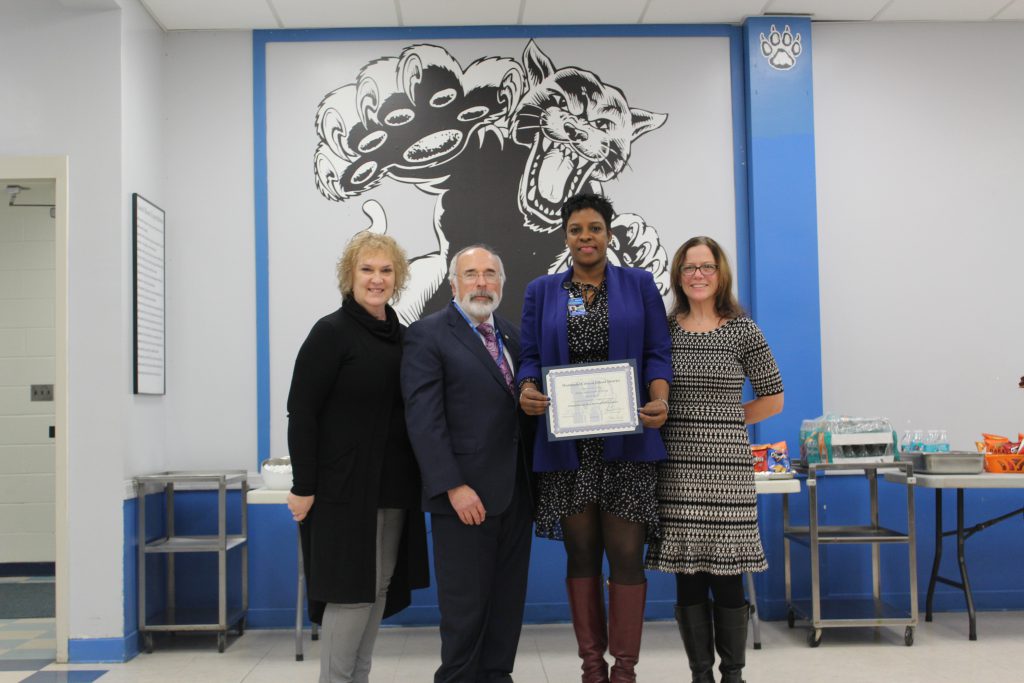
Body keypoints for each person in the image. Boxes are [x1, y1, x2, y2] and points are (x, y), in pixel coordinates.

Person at [518, 193, 671, 683]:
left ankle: (624, 671)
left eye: (595, 228)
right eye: (576, 229)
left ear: (608, 233)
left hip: (627, 443)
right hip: (568, 446)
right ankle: (592, 669)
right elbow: (528, 357)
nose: (586, 237)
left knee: (626, 554)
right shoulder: (543, 291)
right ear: (565, 236)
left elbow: (656, 351)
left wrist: (660, 398)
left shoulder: (639, 284)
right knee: (580, 553)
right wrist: (527, 389)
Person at [286, 231, 429, 683]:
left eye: (386, 270)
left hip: (392, 487)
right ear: (349, 276)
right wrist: (303, 486)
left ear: (398, 278)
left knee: (378, 589)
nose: (376, 278)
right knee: (351, 593)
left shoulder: (404, 337)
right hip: (341, 490)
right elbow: (302, 412)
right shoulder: (330, 333)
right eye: (367, 269)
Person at [645, 236, 784, 683]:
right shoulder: (662, 330)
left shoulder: (744, 331)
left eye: (706, 267)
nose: (698, 275)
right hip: (677, 469)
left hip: (727, 469)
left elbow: (773, 399)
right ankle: (700, 674)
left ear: (720, 273)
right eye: (689, 268)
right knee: (687, 574)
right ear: (678, 275)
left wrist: (727, 418)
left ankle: (734, 674)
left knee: (727, 574)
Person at [401, 245, 534, 683]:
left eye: (490, 274)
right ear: (453, 283)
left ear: (502, 283)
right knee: (465, 612)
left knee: (506, 605)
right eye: (471, 274)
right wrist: (453, 486)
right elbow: (425, 420)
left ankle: (498, 676)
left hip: (515, 496)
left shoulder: (514, 337)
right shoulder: (428, 334)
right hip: (464, 499)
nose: (482, 282)